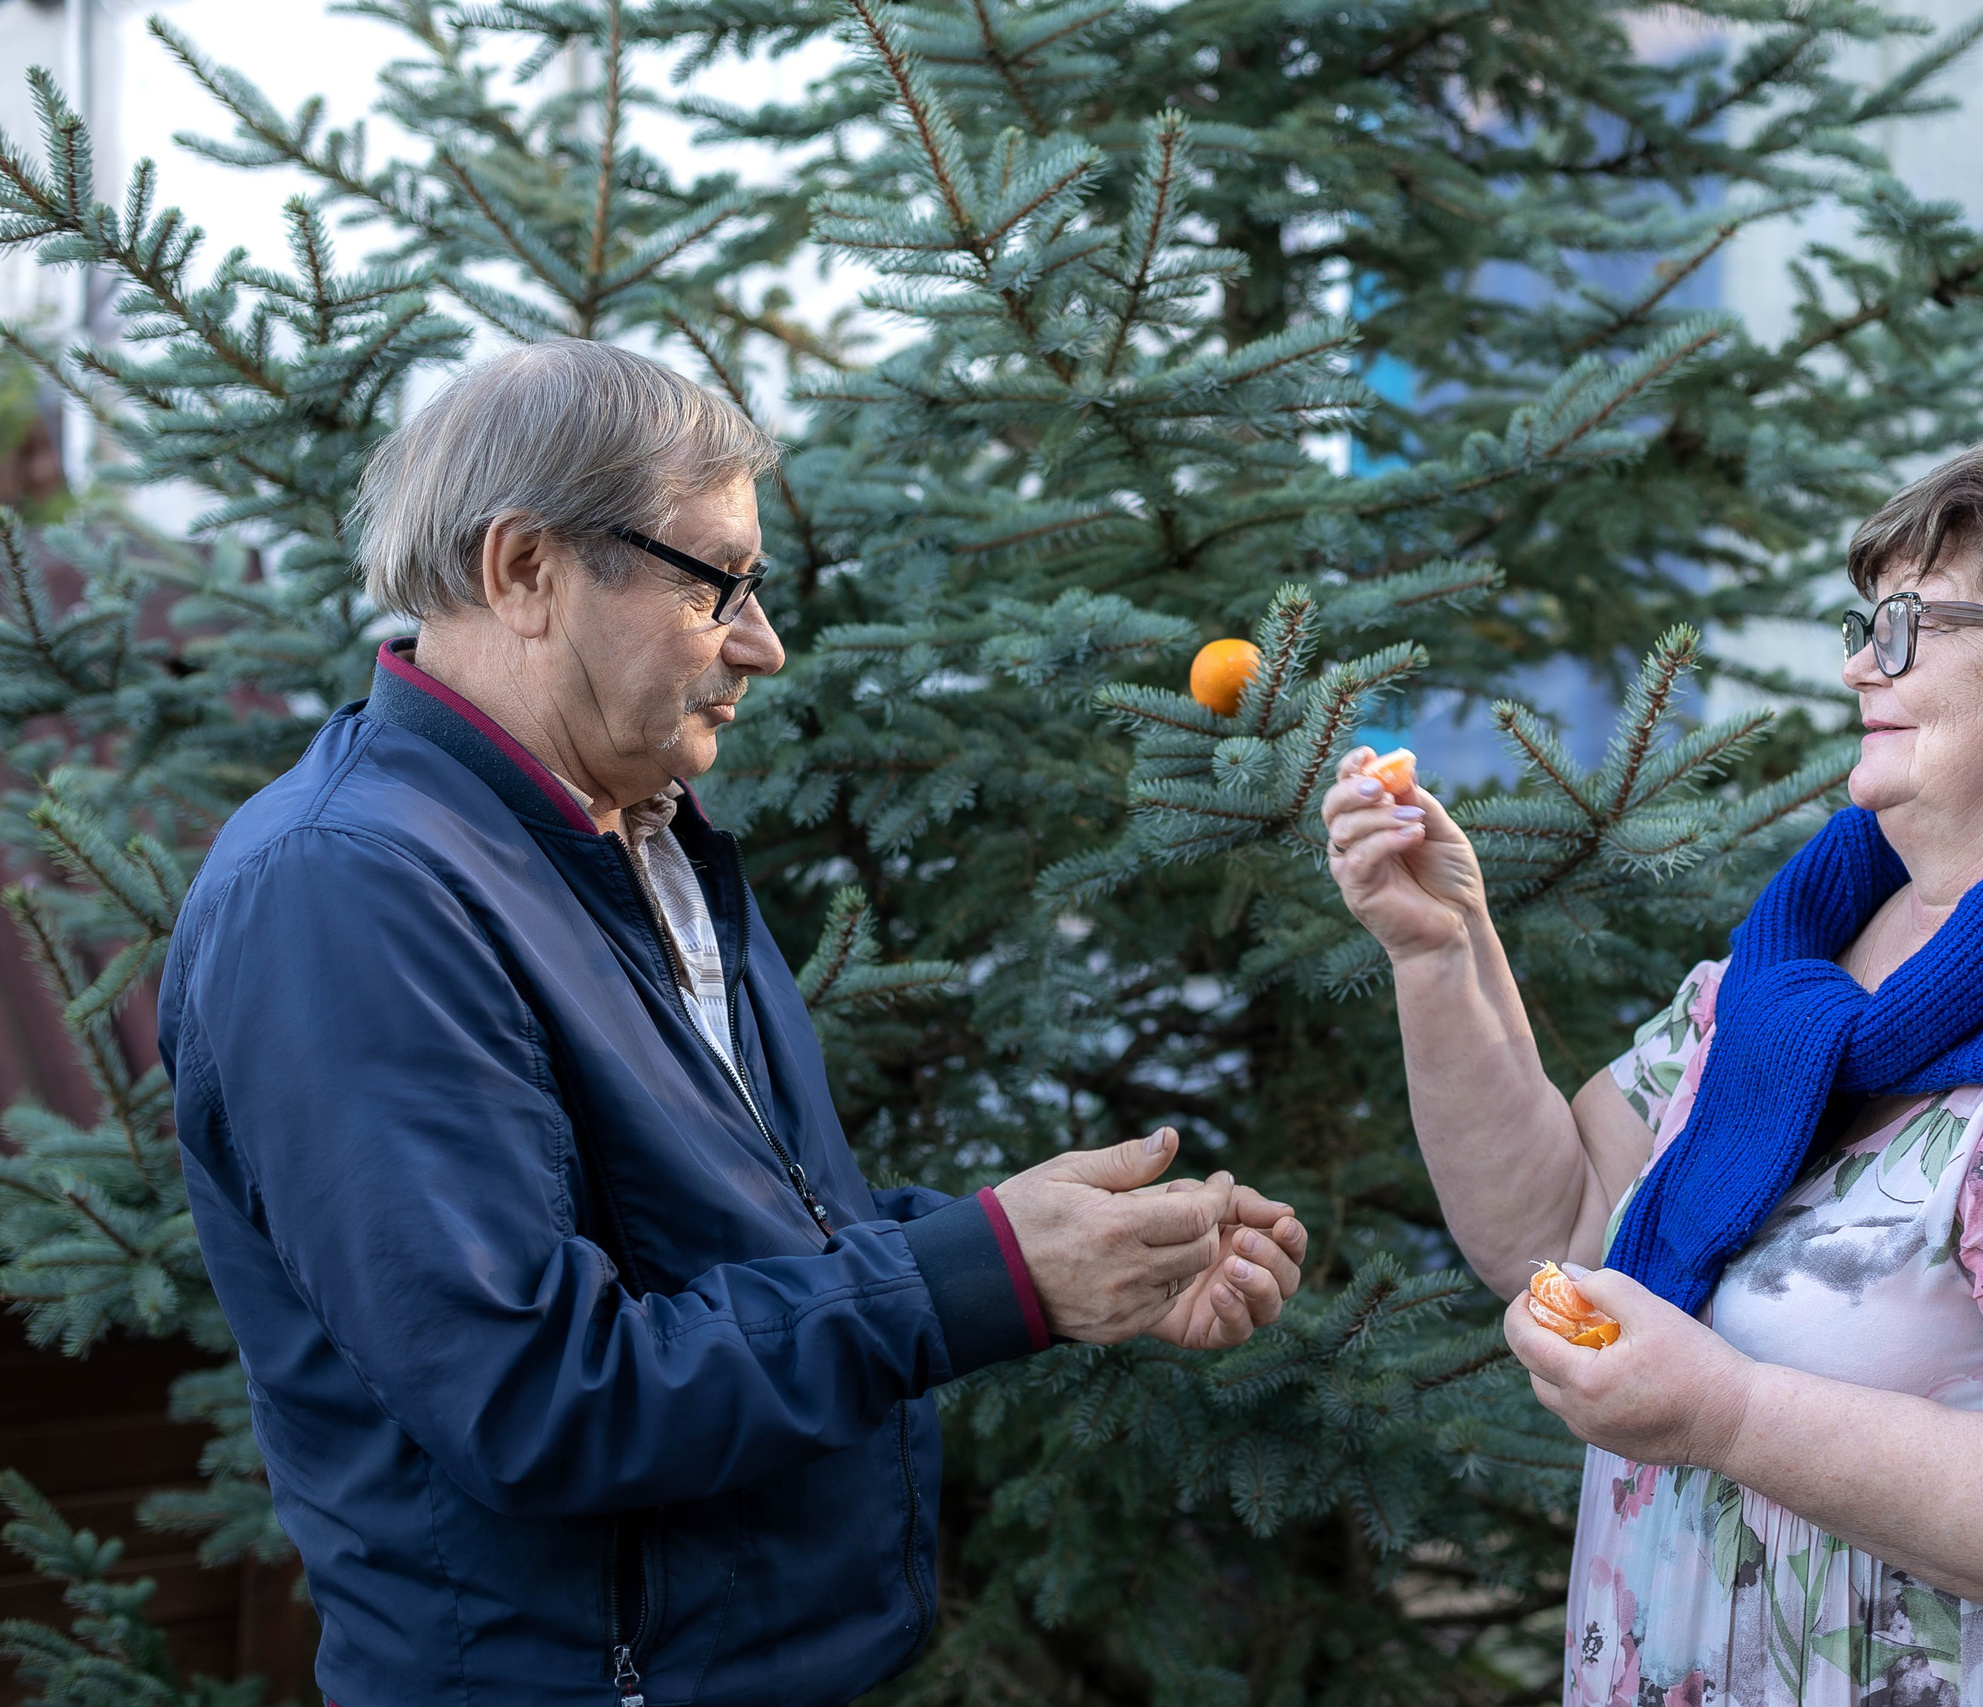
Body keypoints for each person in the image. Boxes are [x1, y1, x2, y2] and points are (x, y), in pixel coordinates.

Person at [160, 340, 1309, 1707]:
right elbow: (538, 1396)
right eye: (717, 585)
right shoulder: (347, 889)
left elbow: (729, 1238)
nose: (762, 642)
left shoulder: (639, 830)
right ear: (526, 568)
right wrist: (976, 1277)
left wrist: (1054, 1249)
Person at [1321, 430, 1983, 1707]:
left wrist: (1729, 1415)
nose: (1861, 661)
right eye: (1863, 619)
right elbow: (1564, 1222)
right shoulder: (1798, 972)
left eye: (1911, 624)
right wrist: (1443, 949)